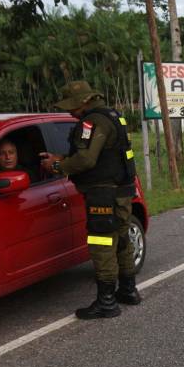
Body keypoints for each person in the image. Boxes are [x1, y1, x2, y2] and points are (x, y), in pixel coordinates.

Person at [40, 80, 141, 320]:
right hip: (122, 190)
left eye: (71, 105)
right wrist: (64, 157)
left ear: (84, 101)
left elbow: (86, 160)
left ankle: (106, 302)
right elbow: (106, 153)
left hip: (103, 193)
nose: (68, 111)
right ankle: (128, 290)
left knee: (102, 243)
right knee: (122, 239)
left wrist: (56, 165)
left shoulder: (93, 122)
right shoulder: (114, 116)